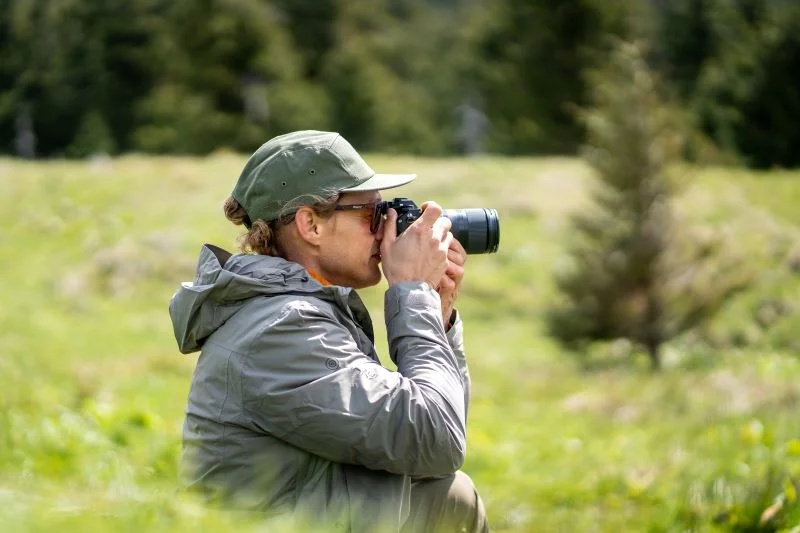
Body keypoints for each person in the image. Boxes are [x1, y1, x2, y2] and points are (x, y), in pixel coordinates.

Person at [169, 130, 488, 532]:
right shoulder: (281, 328)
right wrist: (412, 293)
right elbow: (434, 438)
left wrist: (436, 317)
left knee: (452, 498)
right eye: (373, 213)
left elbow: (438, 439)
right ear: (310, 225)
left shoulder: (305, 310)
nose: (386, 230)